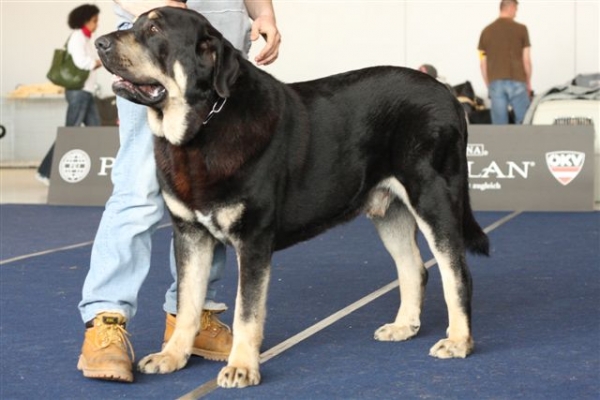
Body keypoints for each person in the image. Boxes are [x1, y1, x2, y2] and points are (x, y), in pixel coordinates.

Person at [76, 0, 281, 383]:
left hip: (218, 34)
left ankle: (192, 317)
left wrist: (263, 12)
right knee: (139, 191)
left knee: (215, 195)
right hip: (153, 32)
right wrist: (162, 13)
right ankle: (107, 318)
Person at [36, 4, 103, 186]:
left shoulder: (88, 38)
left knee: (96, 131)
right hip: (78, 92)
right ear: (85, 20)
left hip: (86, 92)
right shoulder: (77, 37)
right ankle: (45, 173)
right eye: (95, 20)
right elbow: (82, 63)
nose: (97, 24)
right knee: (70, 132)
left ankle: (97, 174)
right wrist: (100, 61)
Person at [478, 0, 532, 124]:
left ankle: (502, 145)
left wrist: (489, 84)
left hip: (495, 82)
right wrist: (528, 82)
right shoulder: (521, 29)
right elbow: (526, 60)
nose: (516, 13)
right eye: (516, 10)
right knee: (524, 123)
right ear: (511, 7)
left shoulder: (486, 31)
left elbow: (482, 63)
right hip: (518, 81)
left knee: (499, 126)